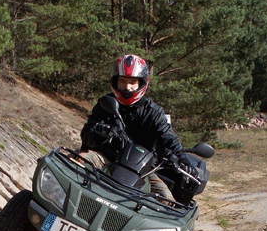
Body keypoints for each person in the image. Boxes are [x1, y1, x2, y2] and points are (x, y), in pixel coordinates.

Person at [79, 54, 194, 199]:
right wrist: (99, 133)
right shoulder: (105, 104)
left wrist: (183, 159)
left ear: (142, 83)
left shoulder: (153, 112)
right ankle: (56, 213)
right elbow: (85, 136)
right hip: (107, 158)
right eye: (122, 81)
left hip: (143, 170)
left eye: (133, 82)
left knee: (167, 200)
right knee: (77, 161)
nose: (127, 87)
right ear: (115, 81)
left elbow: (169, 138)